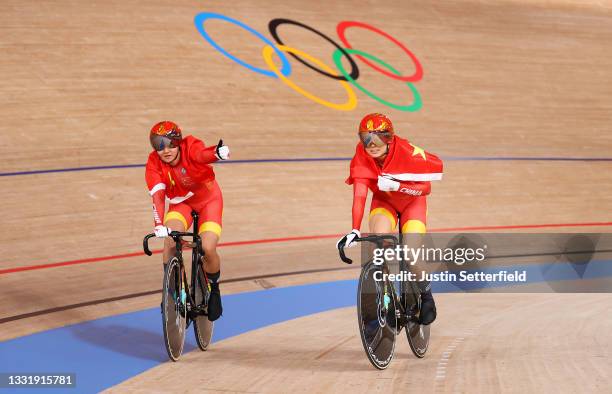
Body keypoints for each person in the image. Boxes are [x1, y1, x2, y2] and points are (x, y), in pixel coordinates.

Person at [336, 113, 443, 325]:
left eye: (377, 138)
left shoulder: (406, 152)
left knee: (411, 255)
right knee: (379, 240)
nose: (371, 145)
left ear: (389, 138)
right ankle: (387, 296)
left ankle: (426, 295)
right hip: (384, 203)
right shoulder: (362, 156)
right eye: (366, 139)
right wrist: (354, 230)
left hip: (413, 204)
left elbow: (425, 189)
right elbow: (359, 196)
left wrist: (397, 186)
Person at [145, 121, 230, 321]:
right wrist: (158, 225)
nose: (165, 150)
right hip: (181, 204)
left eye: (170, 144)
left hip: (208, 201)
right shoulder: (153, 163)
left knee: (207, 248)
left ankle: (214, 288)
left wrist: (216, 153)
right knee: (170, 241)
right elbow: (157, 196)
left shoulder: (190, 147)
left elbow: (202, 155)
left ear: (178, 142)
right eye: (159, 145)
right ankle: (172, 293)